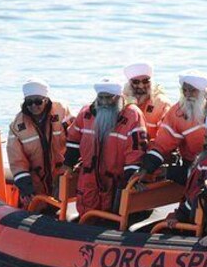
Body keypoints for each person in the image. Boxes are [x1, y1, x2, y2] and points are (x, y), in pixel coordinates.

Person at [61, 77, 148, 217]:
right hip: (90, 177)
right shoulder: (86, 113)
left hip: (116, 179)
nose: (105, 102)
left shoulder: (133, 115)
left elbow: (136, 150)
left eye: (109, 98)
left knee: (115, 214)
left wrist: (131, 177)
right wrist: (69, 163)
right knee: (87, 212)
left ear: (119, 97)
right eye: (101, 98)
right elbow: (73, 139)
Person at [137, 69, 207, 179]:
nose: (187, 94)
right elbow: (162, 145)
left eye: (192, 90)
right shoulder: (177, 112)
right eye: (184, 90)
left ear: (204, 91)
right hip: (193, 163)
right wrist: (146, 168)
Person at [7, 79, 72, 208]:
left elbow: (75, 137)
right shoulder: (17, 125)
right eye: (29, 102)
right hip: (36, 181)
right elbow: (16, 159)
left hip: (62, 176)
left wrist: (70, 163)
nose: (33, 106)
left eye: (38, 101)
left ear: (46, 100)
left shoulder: (62, 111)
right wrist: (25, 185)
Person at [123, 62, 171, 140]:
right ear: (129, 83)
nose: (141, 86)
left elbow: (166, 136)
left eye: (145, 81)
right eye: (136, 82)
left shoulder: (161, 103)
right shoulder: (121, 102)